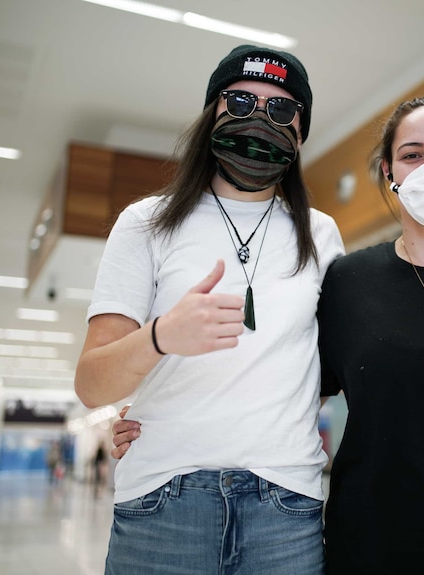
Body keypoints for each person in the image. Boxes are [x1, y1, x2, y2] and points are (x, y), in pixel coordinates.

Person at [113, 94, 424, 573]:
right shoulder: (349, 280)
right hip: (364, 551)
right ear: (389, 172)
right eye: (412, 155)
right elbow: (289, 387)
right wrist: (166, 413)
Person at [75, 44, 343, 575]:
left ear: (300, 130)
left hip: (284, 503)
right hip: (164, 498)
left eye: (282, 109)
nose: (260, 118)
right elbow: (92, 385)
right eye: (240, 102)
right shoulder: (146, 222)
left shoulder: (321, 233)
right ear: (211, 114)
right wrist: (160, 337)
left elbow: (332, 367)